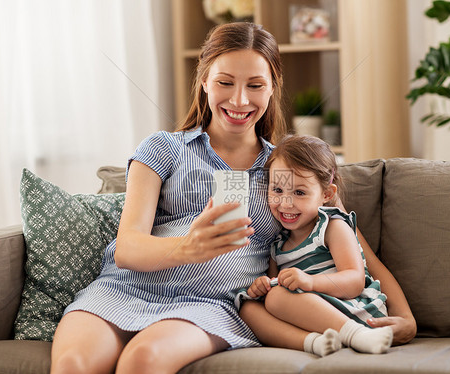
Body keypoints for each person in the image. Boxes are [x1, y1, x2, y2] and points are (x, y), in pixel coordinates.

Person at [51, 22, 415, 374]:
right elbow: (127, 248)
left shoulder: (286, 167)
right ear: (205, 81)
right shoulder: (163, 149)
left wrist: (407, 320)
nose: (239, 100)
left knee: (143, 360)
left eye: (255, 85)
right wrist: (188, 248)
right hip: (123, 288)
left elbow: (353, 244)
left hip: (211, 304)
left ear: (273, 88)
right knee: (73, 366)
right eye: (225, 82)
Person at [238, 135, 413, 356]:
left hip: (355, 308)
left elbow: (355, 281)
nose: (285, 203)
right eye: (278, 190)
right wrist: (261, 286)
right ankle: (314, 343)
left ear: (326, 194)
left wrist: (310, 282)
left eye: (299, 192)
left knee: (276, 297)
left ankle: (356, 334)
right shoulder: (278, 244)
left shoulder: (332, 226)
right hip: (316, 319)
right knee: (248, 308)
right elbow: (275, 287)